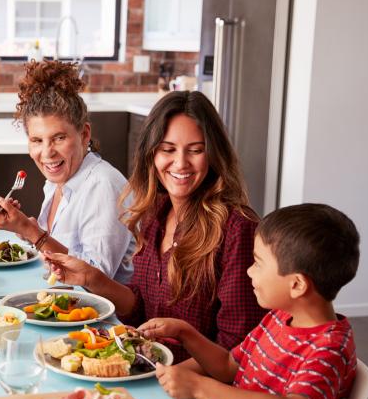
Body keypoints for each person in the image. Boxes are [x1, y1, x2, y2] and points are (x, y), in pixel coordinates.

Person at [46, 91, 264, 361]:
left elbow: (239, 350)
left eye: (196, 150)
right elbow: (140, 308)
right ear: (152, 154)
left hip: (198, 390)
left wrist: (173, 374)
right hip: (148, 369)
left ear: (214, 155)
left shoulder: (237, 229)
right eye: (168, 149)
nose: (181, 163)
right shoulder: (155, 213)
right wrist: (91, 278)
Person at [142, 203, 359, 399]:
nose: (249, 271)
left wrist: (200, 388)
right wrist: (184, 332)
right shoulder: (279, 317)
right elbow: (229, 367)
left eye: (258, 263)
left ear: (297, 285)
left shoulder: (329, 348)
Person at [0, 60, 135, 283]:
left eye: (59, 138)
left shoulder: (103, 185)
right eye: (37, 140)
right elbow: (61, 255)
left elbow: (97, 279)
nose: (47, 153)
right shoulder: (58, 180)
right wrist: (25, 231)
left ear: (84, 134)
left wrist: (32, 232)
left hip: (102, 313)